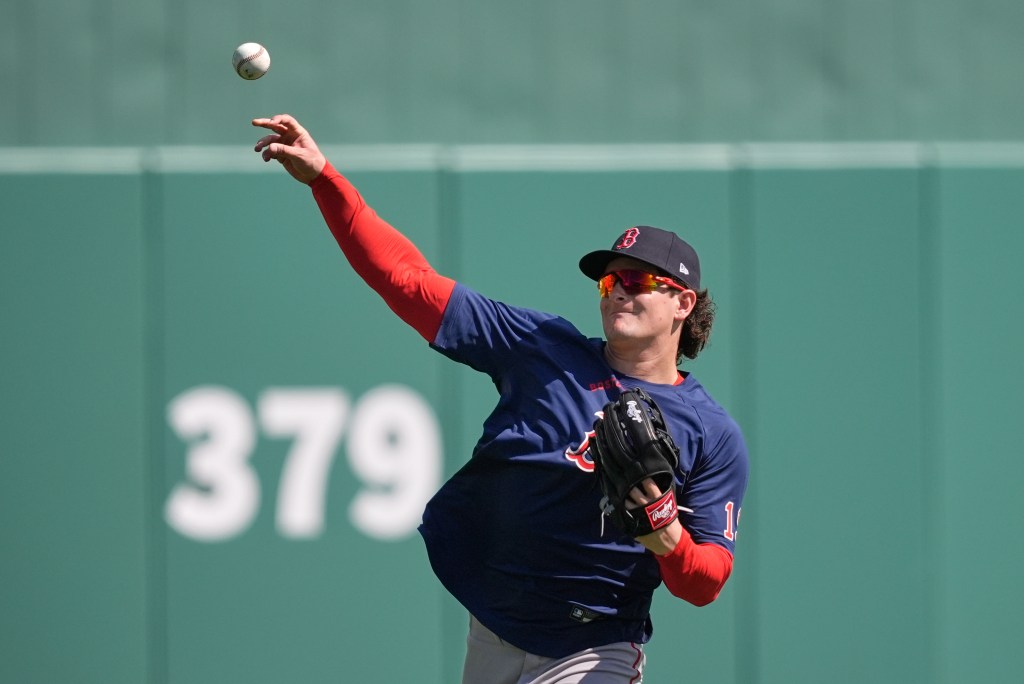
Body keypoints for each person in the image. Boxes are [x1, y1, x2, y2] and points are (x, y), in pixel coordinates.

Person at [252, 114, 749, 684]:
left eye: (637, 282)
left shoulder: (710, 433)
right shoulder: (543, 349)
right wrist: (325, 180)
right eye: (610, 283)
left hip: (594, 645)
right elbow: (407, 280)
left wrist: (669, 537)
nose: (617, 293)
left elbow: (707, 581)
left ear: (682, 304)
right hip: (493, 626)